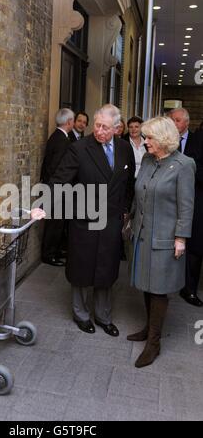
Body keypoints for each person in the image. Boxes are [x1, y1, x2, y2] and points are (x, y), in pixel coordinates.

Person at [49, 104, 136, 336]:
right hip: (85, 219)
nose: (99, 131)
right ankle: (81, 314)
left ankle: (103, 316)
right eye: (96, 125)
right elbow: (60, 180)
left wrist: (125, 209)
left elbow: (129, 184)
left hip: (112, 220)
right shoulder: (79, 148)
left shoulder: (125, 149)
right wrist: (44, 206)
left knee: (106, 268)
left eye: (105, 127)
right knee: (81, 266)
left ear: (117, 128)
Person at [128, 116, 196, 368]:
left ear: (164, 139)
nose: (145, 142)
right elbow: (140, 192)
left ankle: (154, 343)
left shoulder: (183, 165)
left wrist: (181, 237)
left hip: (166, 238)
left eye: (149, 138)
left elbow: (187, 206)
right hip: (143, 234)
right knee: (146, 284)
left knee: (159, 289)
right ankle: (149, 328)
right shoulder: (147, 159)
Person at [169, 108, 203, 307]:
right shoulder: (164, 141)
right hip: (167, 201)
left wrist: (188, 173)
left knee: (193, 246)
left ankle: (189, 289)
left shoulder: (198, 141)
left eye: (178, 120)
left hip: (194, 200)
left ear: (186, 123)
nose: (174, 123)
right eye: (172, 119)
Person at [41, 108, 74, 266]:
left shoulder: (58, 137)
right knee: (54, 223)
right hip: (56, 189)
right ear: (69, 122)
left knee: (57, 222)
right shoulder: (61, 140)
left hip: (54, 187)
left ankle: (55, 250)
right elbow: (56, 167)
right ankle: (49, 255)